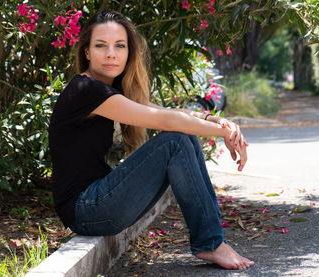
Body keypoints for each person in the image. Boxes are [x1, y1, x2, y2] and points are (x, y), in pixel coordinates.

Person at [48, 9, 254, 270]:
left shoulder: (108, 90)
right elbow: (165, 121)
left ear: (128, 52)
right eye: (101, 46)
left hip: (95, 204)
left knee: (181, 139)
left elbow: (167, 112)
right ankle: (211, 243)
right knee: (175, 142)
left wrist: (215, 120)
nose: (111, 53)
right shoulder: (85, 90)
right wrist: (226, 134)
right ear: (87, 52)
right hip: (86, 209)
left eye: (119, 46)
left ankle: (212, 241)